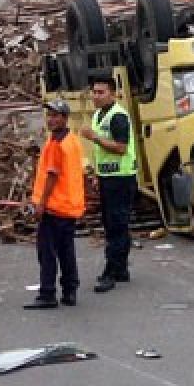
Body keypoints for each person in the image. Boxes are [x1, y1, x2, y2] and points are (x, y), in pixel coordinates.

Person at [79, 72, 137, 292]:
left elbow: (120, 148)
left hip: (121, 178)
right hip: (107, 177)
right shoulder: (98, 115)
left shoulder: (118, 116)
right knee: (113, 224)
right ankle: (120, 268)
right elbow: (100, 152)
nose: (96, 96)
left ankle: (110, 272)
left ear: (113, 94)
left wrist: (94, 137)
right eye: (94, 92)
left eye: (101, 92)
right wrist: (96, 174)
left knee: (116, 226)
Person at [25, 100, 86, 309]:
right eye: (49, 115)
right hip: (70, 206)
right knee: (66, 250)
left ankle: (47, 293)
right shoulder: (72, 141)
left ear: (64, 118)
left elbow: (51, 175)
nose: (50, 120)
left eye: (55, 116)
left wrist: (41, 203)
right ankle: (70, 290)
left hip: (55, 206)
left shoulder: (56, 145)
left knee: (47, 252)